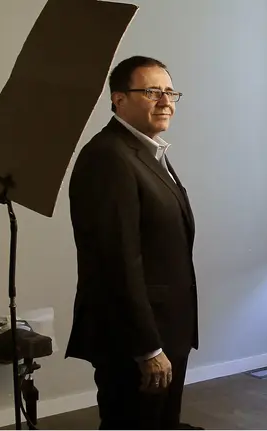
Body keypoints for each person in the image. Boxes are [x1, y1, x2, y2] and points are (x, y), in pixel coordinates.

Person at [65, 55, 201, 430]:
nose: (165, 101)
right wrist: (148, 347)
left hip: (166, 326)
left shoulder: (147, 151)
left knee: (162, 422)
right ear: (118, 99)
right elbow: (116, 262)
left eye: (170, 91)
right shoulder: (108, 157)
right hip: (135, 338)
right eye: (151, 91)